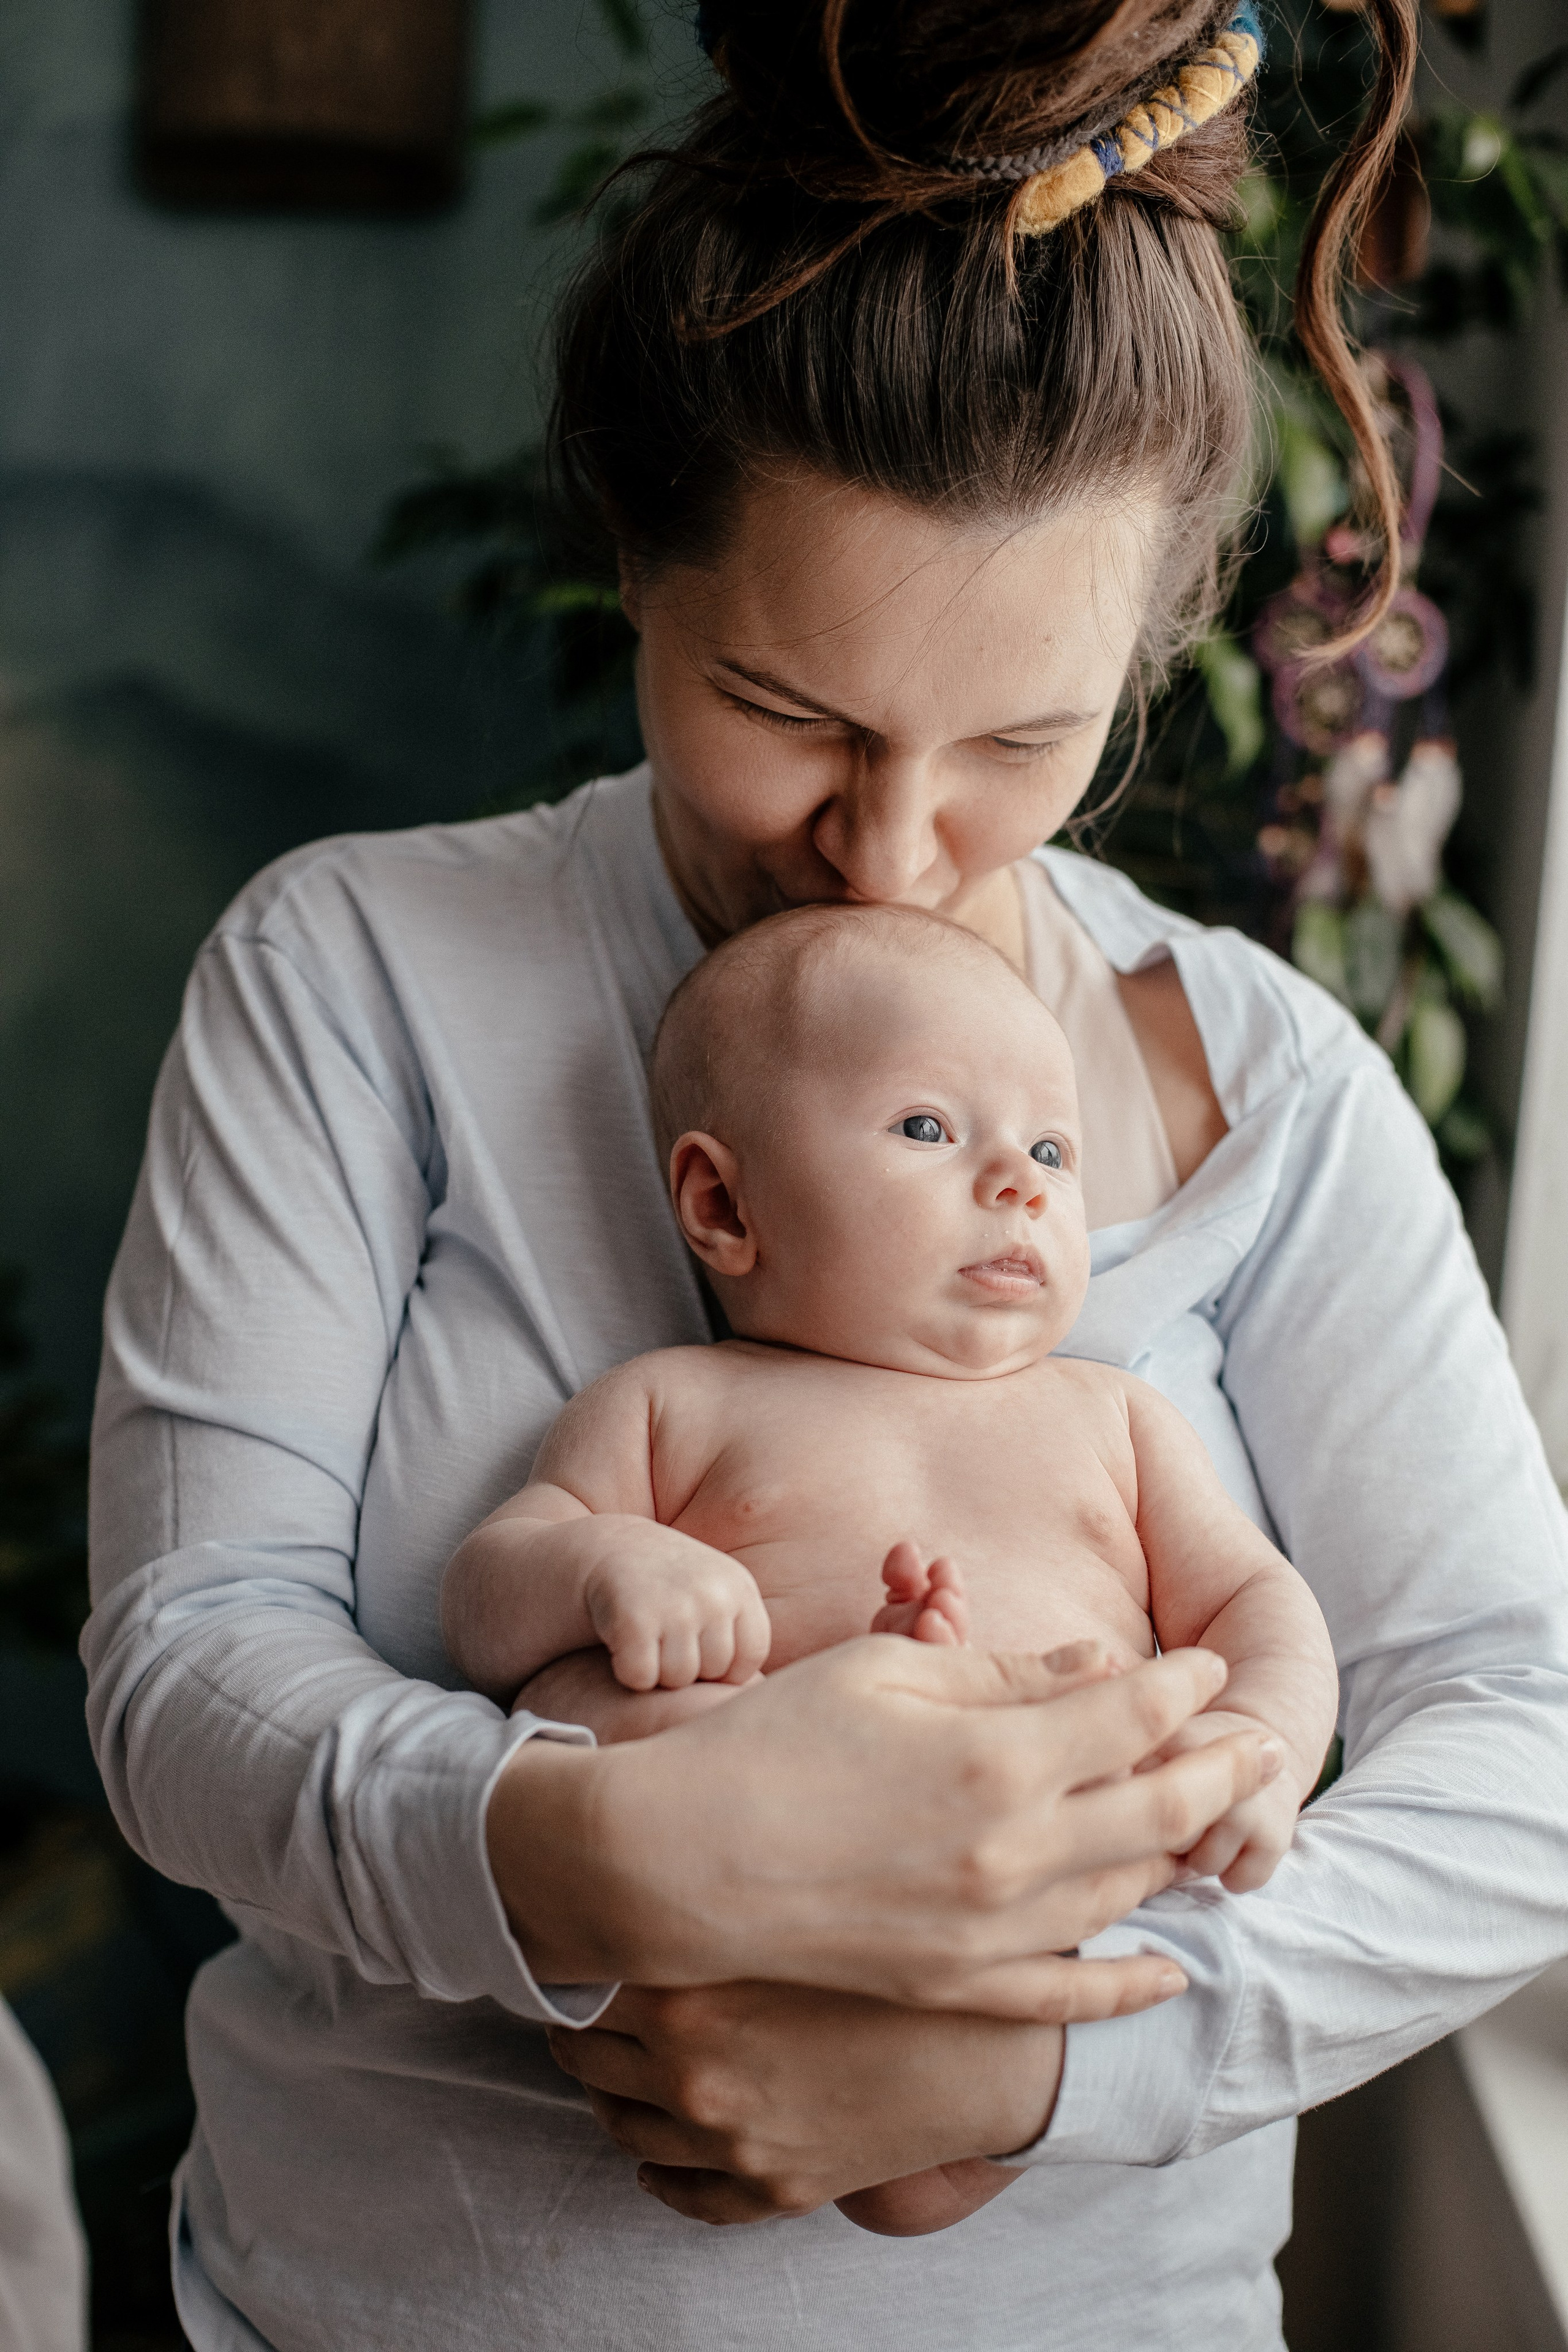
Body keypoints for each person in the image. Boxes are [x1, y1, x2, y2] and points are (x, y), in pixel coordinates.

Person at [81, 0, 1568, 2343]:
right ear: (634, 565)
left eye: (1020, 742)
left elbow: (1530, 1743)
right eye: (787, 711)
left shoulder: (1265, 1095)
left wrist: (1028, 2068)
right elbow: (186, 1671)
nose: (887, 845)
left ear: (1154, 658)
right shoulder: (359, 976)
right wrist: (594, 1860)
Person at [440, 900, 1341, 2237]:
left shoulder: (1113, 1418)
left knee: (928, 2172)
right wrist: (603, 1564)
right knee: (593, 1714)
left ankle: (940, 2137)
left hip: (1041, 1900)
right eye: (928, 1129)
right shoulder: (674, 1402)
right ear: (721, 1201)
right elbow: (483, 1596)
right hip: (747, 1892)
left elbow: (1256, 1607)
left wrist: (1253, 1748)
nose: (1018, 1181)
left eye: (1049, 1147)